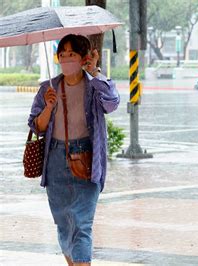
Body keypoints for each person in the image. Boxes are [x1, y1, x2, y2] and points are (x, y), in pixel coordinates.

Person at [28, 34, 120, 265]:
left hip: (87, 159)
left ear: (83, 58)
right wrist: (48, 107)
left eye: (72, 54)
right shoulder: (47, 89)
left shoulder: (95, 86)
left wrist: (95, 72)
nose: (66, 59)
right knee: (63, 222)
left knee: (82, 223)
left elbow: (112, 103)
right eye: (63, 54)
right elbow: (36, 126)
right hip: (56, 160)